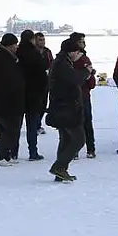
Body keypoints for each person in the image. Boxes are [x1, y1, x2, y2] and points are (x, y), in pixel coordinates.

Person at [46, 38, 89, 181]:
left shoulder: (60, 62)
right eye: (77, 51)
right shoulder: (62, 64)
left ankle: (61, 171)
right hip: (66, 108)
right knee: (78, 140)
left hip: (62, 107)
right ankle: (59, 166)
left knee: (65, 140)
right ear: (71, 52)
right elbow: (74, 79)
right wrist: (86, 72)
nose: (79, 54)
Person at [0, 33, 25, 164]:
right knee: (11, 129)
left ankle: (5, 154)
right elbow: (8, 80)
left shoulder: (2, 56)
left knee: (8, 129)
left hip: (6, 99)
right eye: (15, 44)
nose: (17, 47)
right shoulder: (3, 58)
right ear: (9, 45)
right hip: (7, 100)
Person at [16, 29, 49, 161]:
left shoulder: (16, 53)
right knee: (32, 125)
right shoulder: (35, 54)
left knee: (16, 126)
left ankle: (13, 152)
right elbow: (42, 75)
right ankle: (33, 152)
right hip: (33, 94)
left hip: (19, 93)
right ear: (32, 39)